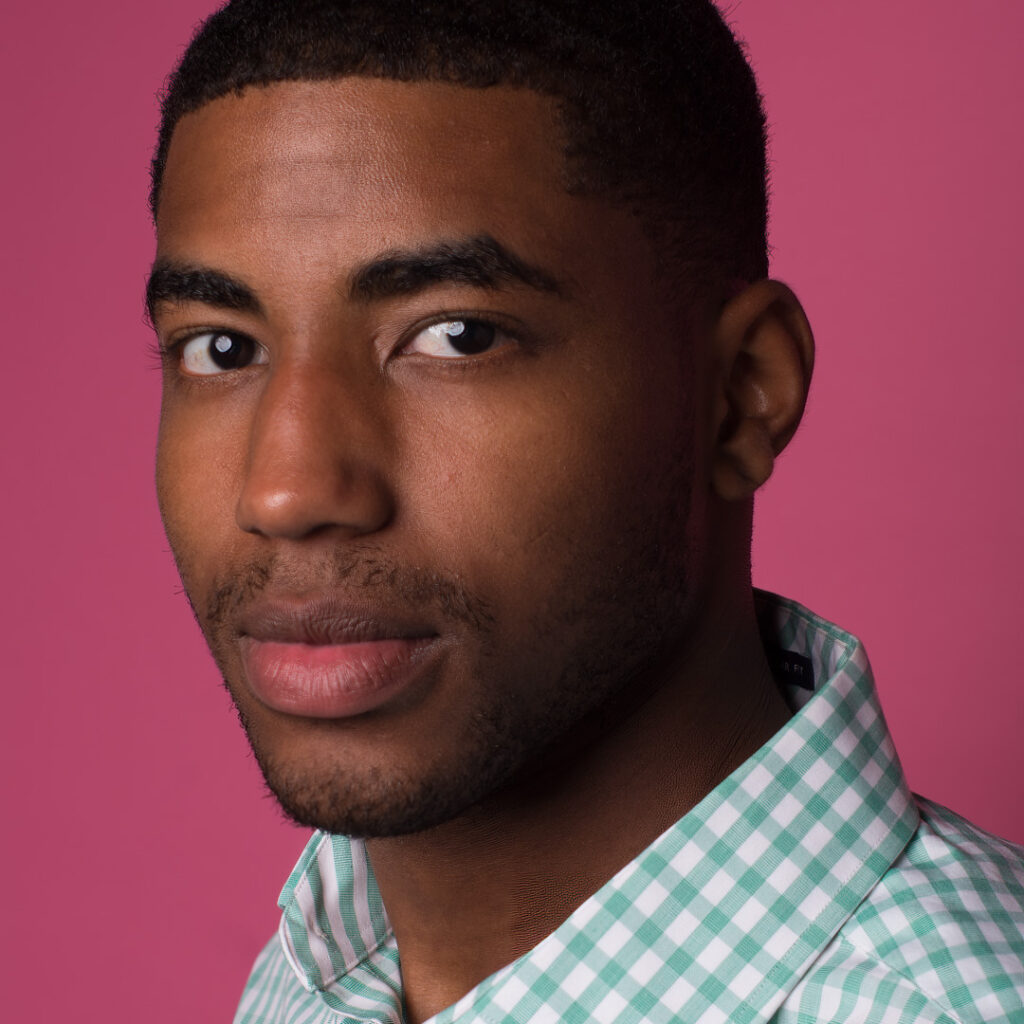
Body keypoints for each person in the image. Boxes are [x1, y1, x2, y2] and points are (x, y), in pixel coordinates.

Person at [146, 1, 1024, 1021]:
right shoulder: (321, 969)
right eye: (221, 347)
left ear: (741, 390)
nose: (285, 490)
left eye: (459, 336)